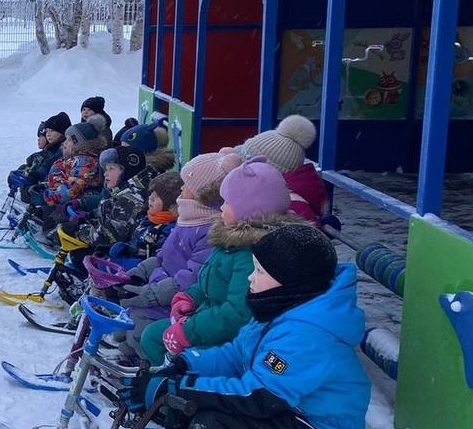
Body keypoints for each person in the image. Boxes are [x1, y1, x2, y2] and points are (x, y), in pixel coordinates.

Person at [121, 224, 372, 429]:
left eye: (260, 272)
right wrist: (184, 365)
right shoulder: (280, 308)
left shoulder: (306, 334)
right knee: (198, 404)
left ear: (292, 280)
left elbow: (258, 395)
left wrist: (181, 388)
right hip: (293, 415)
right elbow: (235, 355)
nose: (252, 279)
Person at [138, 157, 297, 365]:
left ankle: (182, 387)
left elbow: (239, 313)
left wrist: (188, 332)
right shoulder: (230, 238)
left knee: (153, 338)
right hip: (209, 317)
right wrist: (190, 296)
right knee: (152, 334)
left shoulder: (250, 253)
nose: (221, 207)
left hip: (231, 338)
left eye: (228, 202)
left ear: (249, 209)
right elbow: (209, 277)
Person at [119, 152, 228, 348]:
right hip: (159, 288)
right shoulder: (188, 218)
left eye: (186, 185)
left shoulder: (209, 230)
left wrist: (151, 294)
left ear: (202, 194)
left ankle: (145, 367)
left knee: (137, 330)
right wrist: (140, 272)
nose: (181, 189)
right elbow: (163, 256)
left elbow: (191, 277)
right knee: (123, 326)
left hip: (175, 301)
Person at [240, 114, 328, 224]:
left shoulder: (294, 209)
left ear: (270, 169)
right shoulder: (279, 194)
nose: (242, 169)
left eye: (249, 164)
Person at [40, 122, 105, 228]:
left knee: (49, 218)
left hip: (76, 207)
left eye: (69, 140)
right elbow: (64, 180)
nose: (64, 143)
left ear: (79, 144)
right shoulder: (73, 158)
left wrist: (46, 195)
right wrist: (45, 186)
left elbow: (69, 192)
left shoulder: (84, 163)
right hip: (69, 201)